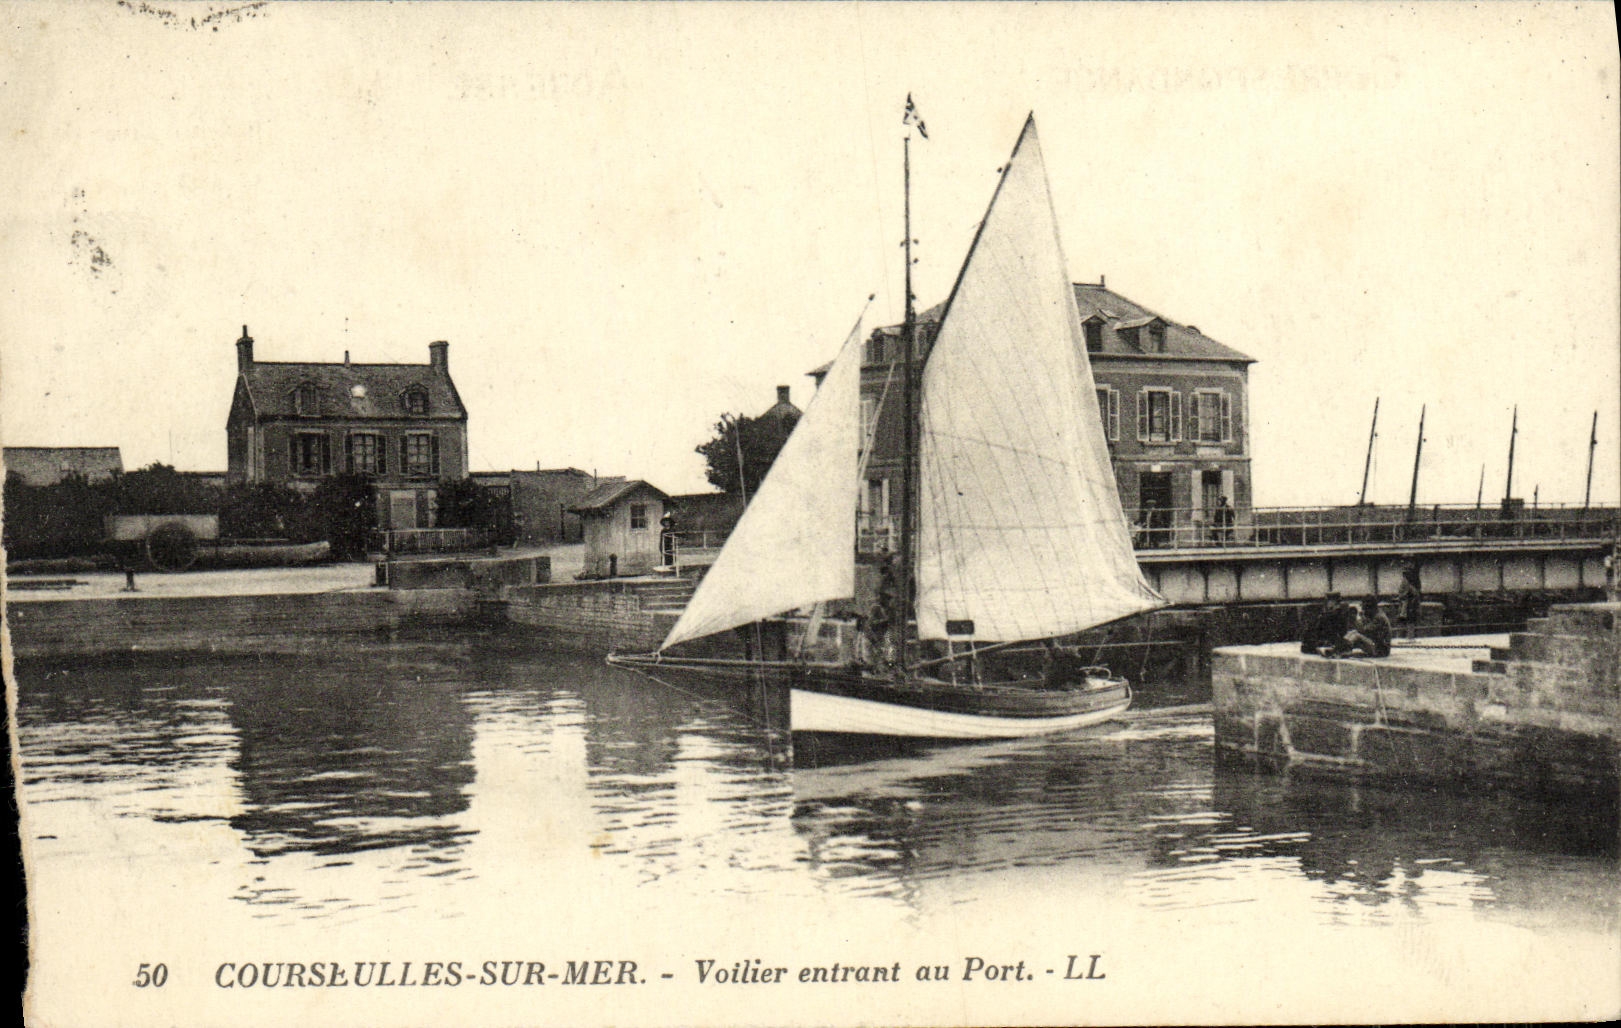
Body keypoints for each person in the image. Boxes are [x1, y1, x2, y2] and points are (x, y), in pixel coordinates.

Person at [1396, 560, 1423, 640]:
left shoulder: (1412, 582)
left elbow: (1415, 593)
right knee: (1405, 623)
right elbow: (1402, 593)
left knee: (1410, 622)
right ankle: (1404, 638)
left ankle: (1410, 638)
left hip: (1410, 606)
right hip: (1407, 606)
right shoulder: (1405, 582)